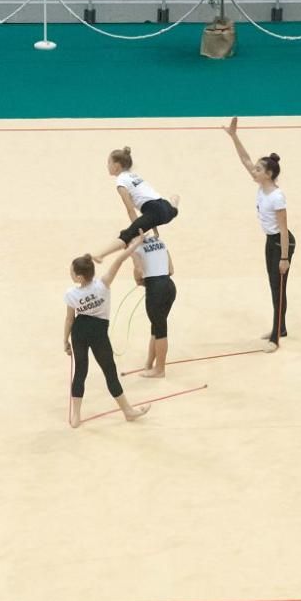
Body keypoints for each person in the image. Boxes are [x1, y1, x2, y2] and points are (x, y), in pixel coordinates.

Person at [222, 117, 297, 354]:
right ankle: (280, 327)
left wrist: (284, 258)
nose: (252, 170)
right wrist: (234, 136)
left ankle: (276, 338)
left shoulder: (277, 196)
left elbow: (285, 229)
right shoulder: (261, 186)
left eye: (257, 169)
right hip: (270, 241)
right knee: (273, 285)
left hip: (281, 242)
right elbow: (244, 159)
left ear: (268, 174)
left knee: (278, 287)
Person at [64, 232, 151, 428]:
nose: (70, 274)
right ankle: (126, 410)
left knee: (82, 372)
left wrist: (65, 341)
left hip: (80, 331)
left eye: (71, 272)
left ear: (79, 277)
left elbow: (69, 319)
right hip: (96, 332)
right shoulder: (103, 284)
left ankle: (79, 416)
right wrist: (134, 245)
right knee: (107, 372)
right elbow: (119, 260)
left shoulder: (72, 293)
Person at [92, 147, 179, 262]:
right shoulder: (133, 175)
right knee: (173, 211)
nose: (107, 165)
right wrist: (153, 228)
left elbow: (130, 210)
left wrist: (138, 230)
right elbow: (150, 207)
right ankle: (174, 200)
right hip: (165, 209)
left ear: (117, 165)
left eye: (109, 162)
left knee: (128, 234)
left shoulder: (121, 182)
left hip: (154, 211)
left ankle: (100, 255)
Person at [131, 233, 176, 378]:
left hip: (156, 290)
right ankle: (149, 364)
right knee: (156, 326)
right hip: (169, 286)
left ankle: (160, 369)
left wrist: (138, 280)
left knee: (160, 328)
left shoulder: (134, 247)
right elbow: (171, 270)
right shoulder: (159, 241)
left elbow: (138, 270)